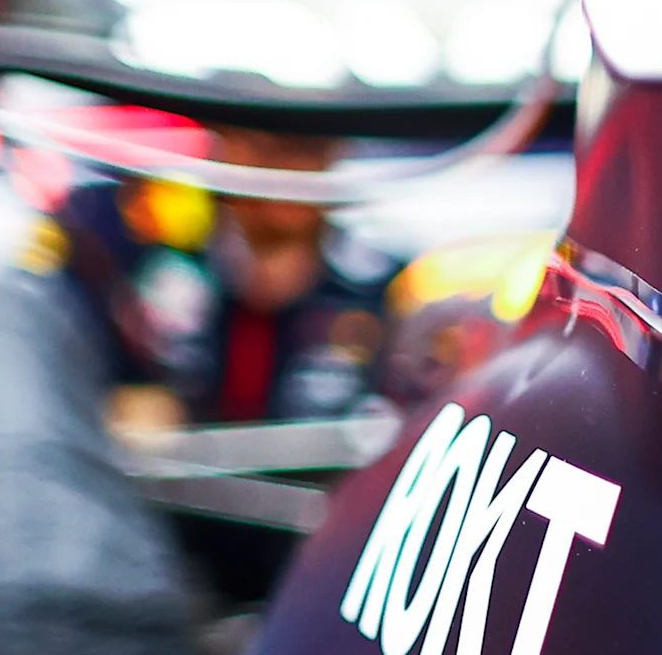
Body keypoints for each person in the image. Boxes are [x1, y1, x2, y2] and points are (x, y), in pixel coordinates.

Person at [31, 126, 403, 430]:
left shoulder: (376, 284)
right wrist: (123, 404)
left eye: (310, 150)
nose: (291, 169)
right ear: (225, 147)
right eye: (269, 148)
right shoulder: (149, 257)